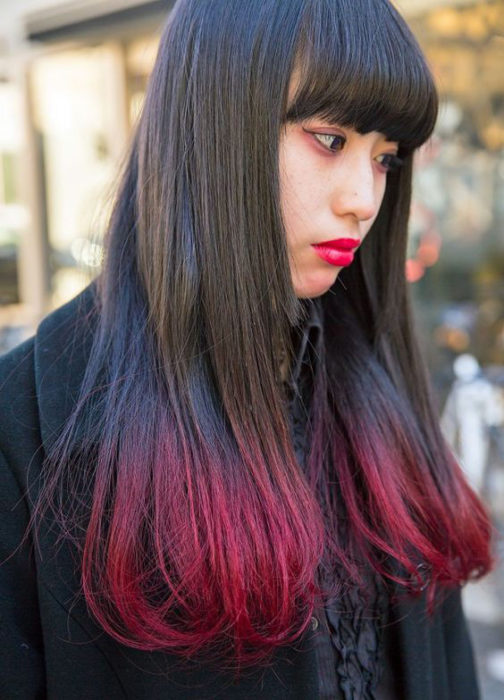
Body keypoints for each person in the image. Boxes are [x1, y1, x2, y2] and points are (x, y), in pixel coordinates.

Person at [0, 1, 493, 698]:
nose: (363, 198)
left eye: (385, 158)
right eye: (329, 139)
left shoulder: (375, 381)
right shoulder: (30, 425)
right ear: (214, 123)